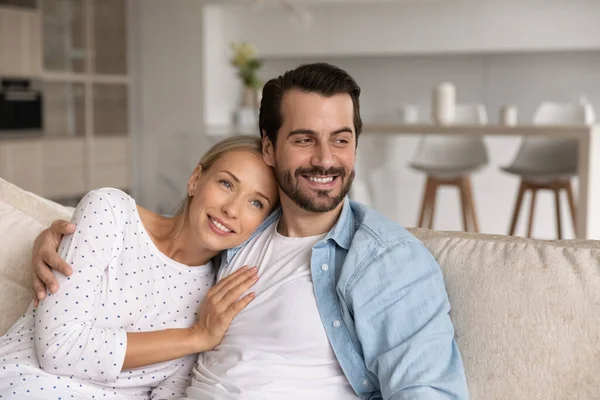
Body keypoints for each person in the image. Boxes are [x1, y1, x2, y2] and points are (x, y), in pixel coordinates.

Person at [30, 63, 469, 399]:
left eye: (341, 139)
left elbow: (425, 390)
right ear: (269, 147)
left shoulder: (385, 259)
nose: (325, 159)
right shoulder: (237, 237)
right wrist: (54, 234)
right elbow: (151, 256)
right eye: (303, 139)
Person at [0, 135, 279, 399]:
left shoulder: (218, 298)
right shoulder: (110, 213)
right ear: (195, 180)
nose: (232, 209)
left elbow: (169, 393)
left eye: (256, 203)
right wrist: (196, 337)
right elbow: (58, 348)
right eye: (227, 184)